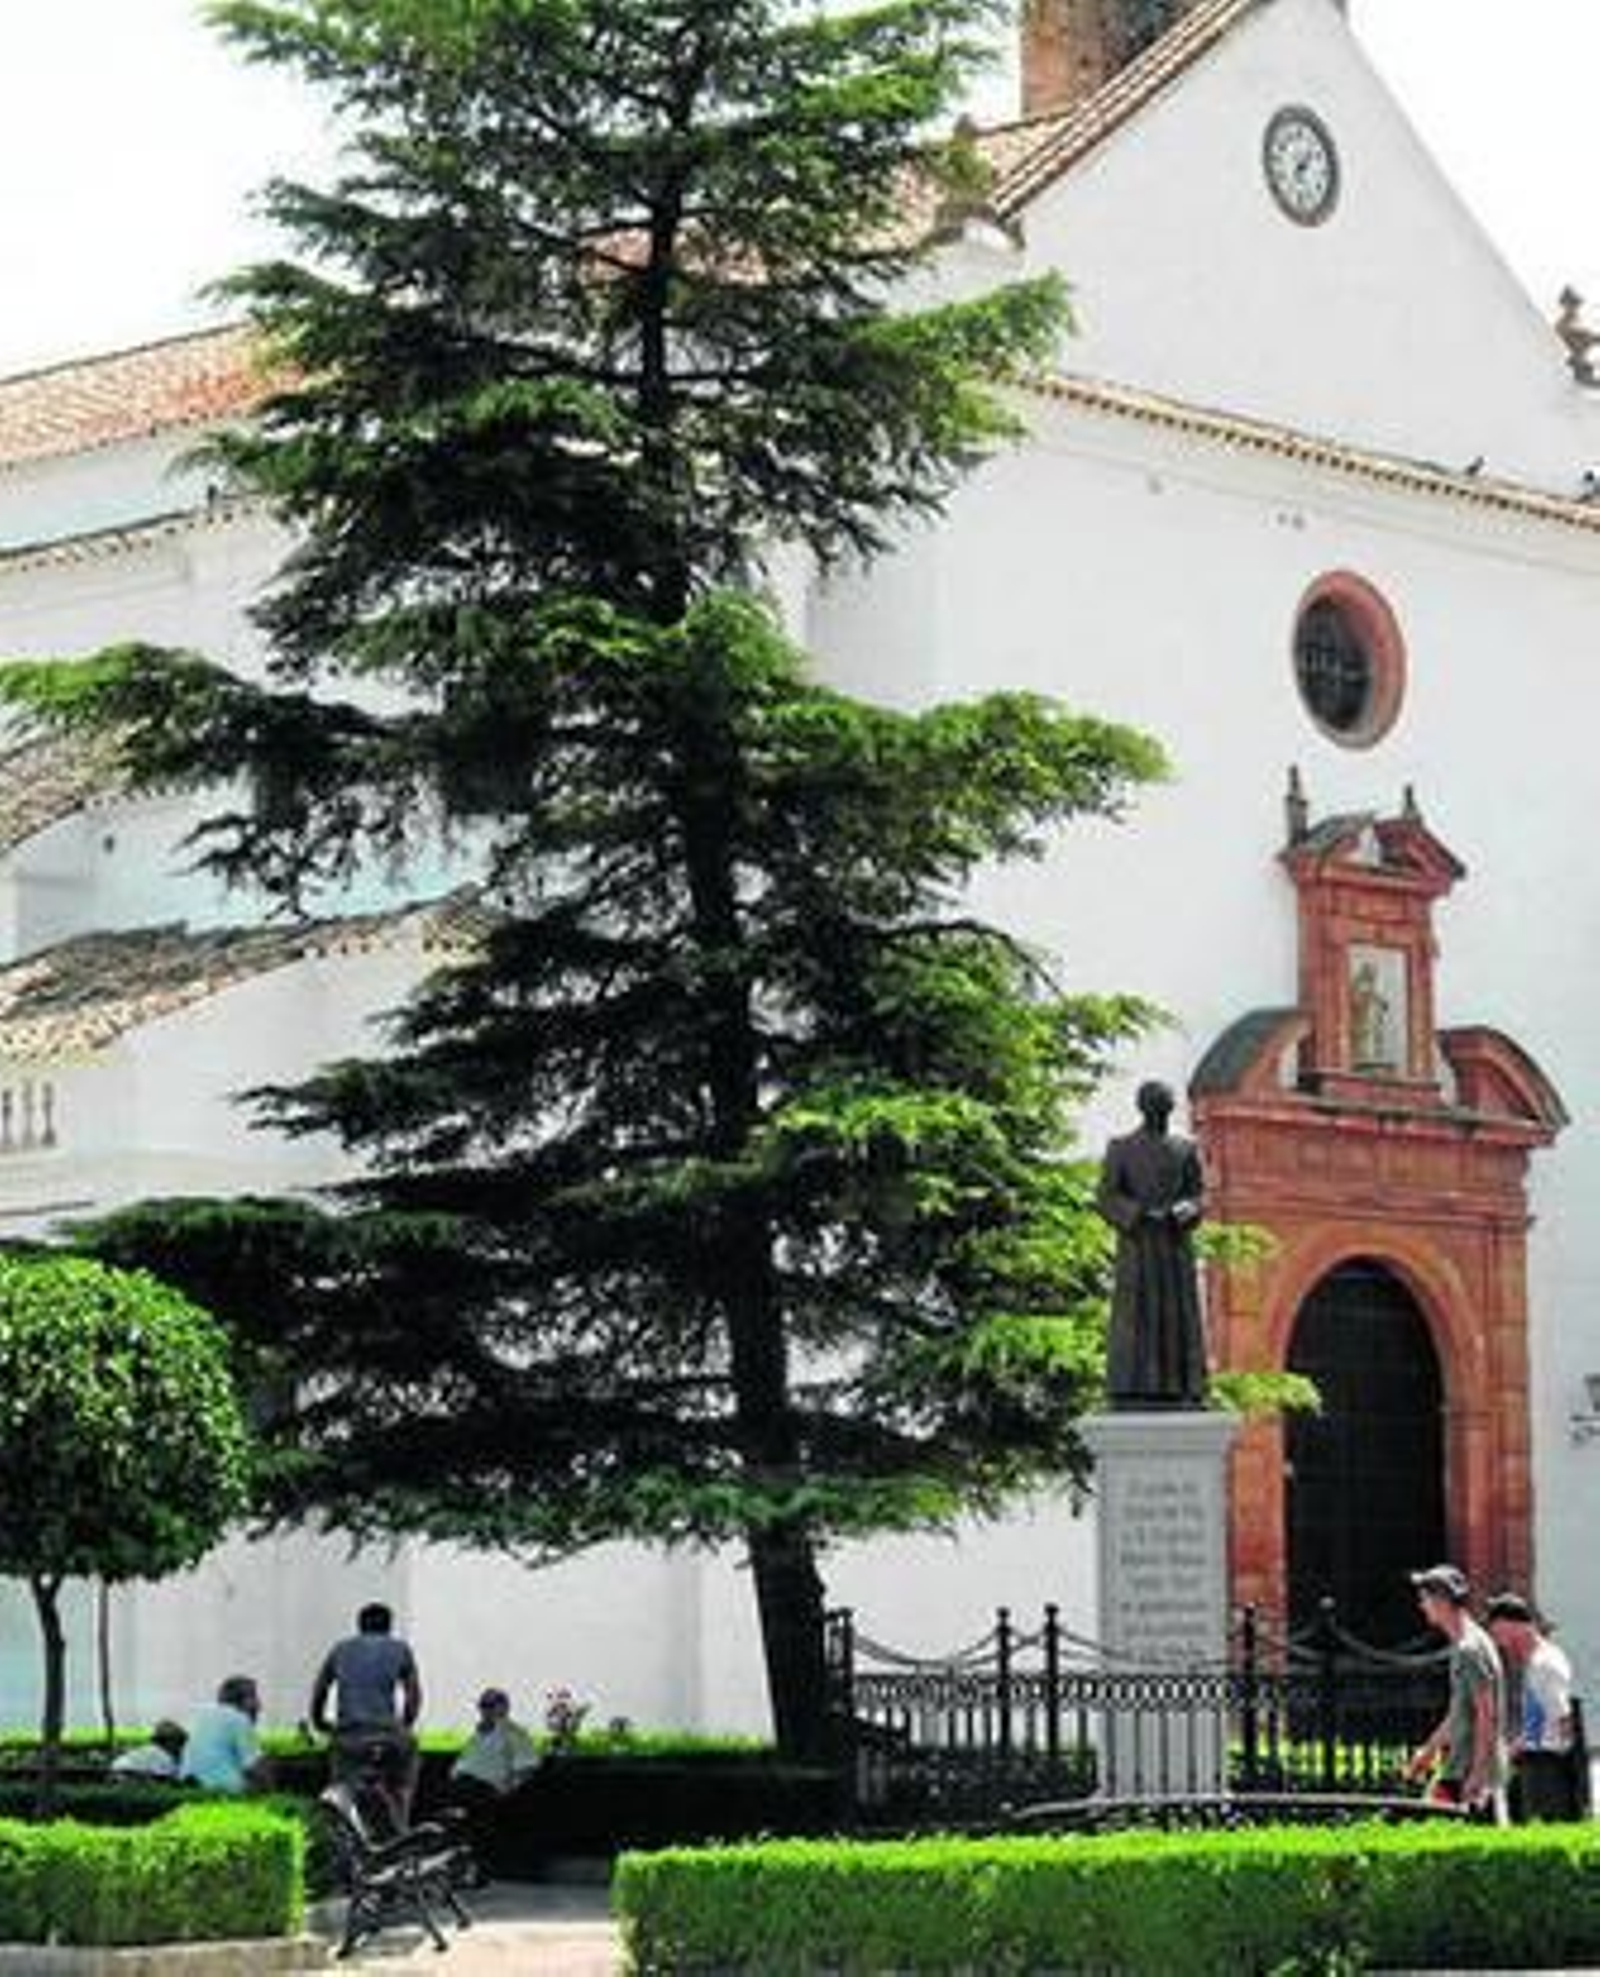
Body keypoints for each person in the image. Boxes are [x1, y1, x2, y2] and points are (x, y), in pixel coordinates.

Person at [1095, 1080, 1207, 1408]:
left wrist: (1184, 1211)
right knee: (1136, 1315)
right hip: (1138, 1245)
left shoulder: (1185, 1149)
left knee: (1177, 1315)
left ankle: (1182, 1387)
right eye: (1158, 1104)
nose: (1163, 1110)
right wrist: (1138, 1214)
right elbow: (1106, 1196)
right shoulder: (1121, 1148)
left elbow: (1198, 1195)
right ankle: (1130, 1388)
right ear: (1144, 1107)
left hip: (1174, 1245)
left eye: (1167, 1104)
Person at [1402, 1564, 1505, 1821]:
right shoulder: (1470, 1642)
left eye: (1425, 1599)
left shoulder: (1469, 1649)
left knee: (1437, 1833)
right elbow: (1459, 1712)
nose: (1421, 1606)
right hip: (1460, 1767)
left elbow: (1487, 1714)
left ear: (1441, 1600)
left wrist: (1478, 1774)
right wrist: (1429, 1752)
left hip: (1466, 1770)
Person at [310, 1602, 423, 1823]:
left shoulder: (340, 1649)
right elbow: (413, 1696)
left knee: (341, 1790)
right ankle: (401, 1822)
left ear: (359, 1625)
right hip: (389, 1736)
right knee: (402, 1784)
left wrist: (320, 1723)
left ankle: (344, 1826)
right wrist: (404, 1726)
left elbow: (320, 1689)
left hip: (349, 1737)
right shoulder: (400, 1649)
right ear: (389, 1626)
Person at [1485, 1590, 1579, 1821]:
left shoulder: (1544, 1664)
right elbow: (1541, 1718)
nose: (1492, 1633)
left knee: (1545, 1832)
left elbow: (1563, 1719)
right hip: (1536, 1764)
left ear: (1511, 1625)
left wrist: (1569, 1778)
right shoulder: (1536, 1660)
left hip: (1546, 1769)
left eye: (1495, 1625)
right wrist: (1519, 1745)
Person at [448, 1688, 543, 1880]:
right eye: (483, 1706)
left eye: (491, 1705)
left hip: (486, 1791)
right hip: (463, 1787)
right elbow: (463, 1763)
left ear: (504, 1708)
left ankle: (479, 1870)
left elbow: (527, 1767)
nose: (485, 1710)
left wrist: (508, 1788)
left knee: (478, 1823)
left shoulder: (513, 1732)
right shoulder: (478, 1734)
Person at [179, 1676, 269, 1794]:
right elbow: (255, 1766)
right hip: (223, 1787)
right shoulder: (239, 1719)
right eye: (254, 1697)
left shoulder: (203, 1715)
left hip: (188, 1784)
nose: (259, 1706)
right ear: (240, 1699)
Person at [110, 1718, 187, 1781]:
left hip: (118, 1768)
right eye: (178, 1743)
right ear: (166, 1742)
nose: (180, 1748)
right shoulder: (161, 1755)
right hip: (126, 1772)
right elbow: (168, 1776)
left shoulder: (151, 1750)